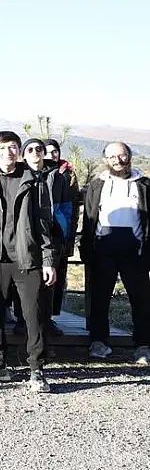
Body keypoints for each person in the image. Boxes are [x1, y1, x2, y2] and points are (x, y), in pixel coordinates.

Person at [0, 131, 57, 392]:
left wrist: (48, 259)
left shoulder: (34, 181)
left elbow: (45, 223)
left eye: (13, 147)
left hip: (27, 257)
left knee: (33, 314)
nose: (8, 152)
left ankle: (36, 369)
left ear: (19, 151)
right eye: (2, 148)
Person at [80, 142, 150, 365]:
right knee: (99, 299)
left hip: (136, 252)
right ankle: (98, 342)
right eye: (112, 157)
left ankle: (143, 346)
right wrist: (85, 249)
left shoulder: (144, 185)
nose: (118, 161)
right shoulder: (96, 185)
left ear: (129, 156)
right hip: (103, 250)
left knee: (141, 300)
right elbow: (89, 218)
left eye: (122, 155)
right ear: (105, 159)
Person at [21, 138, 74, 336]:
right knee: (25, 278)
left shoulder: (58, 177)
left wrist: (63, 232)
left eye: (40, 149)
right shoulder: (19, 174)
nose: (38, 153)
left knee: (50, 279)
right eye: (31, 149)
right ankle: (22, 319)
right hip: (24, 232)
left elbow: (66, 208)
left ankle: (47, 320)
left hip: (52, 232)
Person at [43, 138, 81, 325]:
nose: (52, 154)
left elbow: (71, 208)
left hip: (61, 232)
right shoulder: (33, 172)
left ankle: (50, 317)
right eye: (48, 151)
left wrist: (68, 235)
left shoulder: (68, 174)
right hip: (39, 233)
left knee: (57, 276)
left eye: (55, 150)